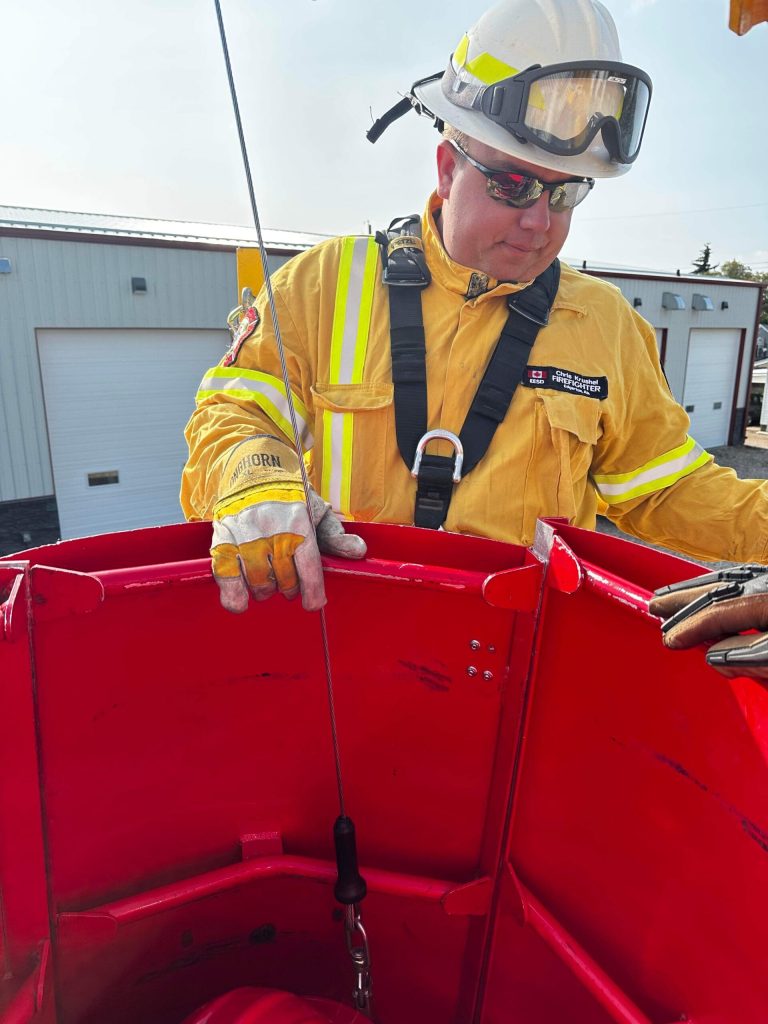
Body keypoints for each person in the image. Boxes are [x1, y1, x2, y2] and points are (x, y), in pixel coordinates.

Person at [181, 0, 768, 621]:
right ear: (447, 168)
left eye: (564, 193)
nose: (539, 221)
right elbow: (236, 410)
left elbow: (669, 489)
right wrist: (256, 478)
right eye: (512, 185)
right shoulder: (323, 284)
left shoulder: (604, 324)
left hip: (514, 669)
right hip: (339, 654)